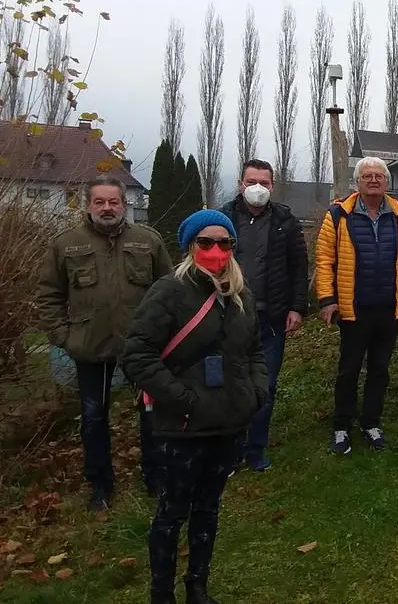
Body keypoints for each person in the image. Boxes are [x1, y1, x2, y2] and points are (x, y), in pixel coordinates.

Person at [121, 209, 265, 604]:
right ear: (190, 246)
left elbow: (254, 351)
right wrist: (183, 399)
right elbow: (137, 355)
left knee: (208, 509)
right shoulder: (169, 292)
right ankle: (161, 593)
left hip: (228, 423)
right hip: (181, 427)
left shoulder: (241, 295)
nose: (216, 250)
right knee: (171, 513)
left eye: (225, 242)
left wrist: (256, 393)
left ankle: (197, 586)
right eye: (206, 242)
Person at [35, 174, 174, 510]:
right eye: (99, 202)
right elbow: (49, 295)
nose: (107, 208)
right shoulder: (66, 244)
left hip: (141, 347)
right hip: (89, 346)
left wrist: (163, 333)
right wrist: (63, 336)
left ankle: (156, 477)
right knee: (94, 416)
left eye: (113, 202)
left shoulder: (148, 240)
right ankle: (100, 484)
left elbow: (169, 291)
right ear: (88, 205)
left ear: (124, 205)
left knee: (151, 414)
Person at [314, 157, 398, 455]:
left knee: (380, 370)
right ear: (357, 182)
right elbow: (324, 261)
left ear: (387, 182)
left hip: (389, 308)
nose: (373, 180)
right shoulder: (338, 215)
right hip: (353, 308)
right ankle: (341, 426)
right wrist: (327, 300)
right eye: (367, 175)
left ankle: (371, 423)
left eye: (379, 176)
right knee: (349, 370)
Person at [218, 159, 309, 473]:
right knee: (228, 384)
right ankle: (230, 450)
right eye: (251, 181)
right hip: (228, 315)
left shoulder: (286, 220)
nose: (257, 188)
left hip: (271, 317)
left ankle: (255, 449)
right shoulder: (223, 218)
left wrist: (297, 307)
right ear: (240, 184)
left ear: (272, 185)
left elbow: (299, 266)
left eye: (264, 182)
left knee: (265, 385)